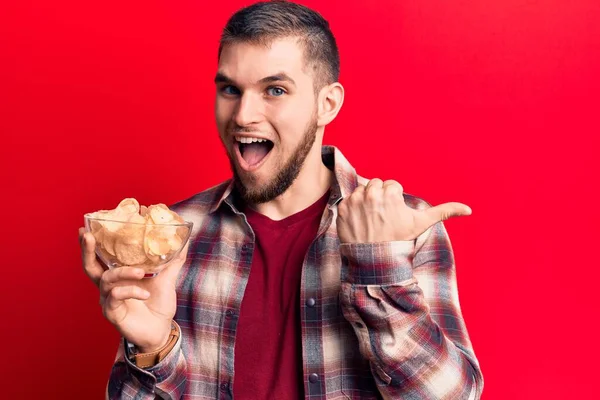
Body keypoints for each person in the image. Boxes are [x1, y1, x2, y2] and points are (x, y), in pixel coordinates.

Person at [79, 1, 483, 399]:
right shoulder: (173, 235)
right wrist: (153, 348)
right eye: (230, 89)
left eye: (275, 90)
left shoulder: (402, 229)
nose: (242, 115)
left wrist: (377, 267)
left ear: (327, 104)